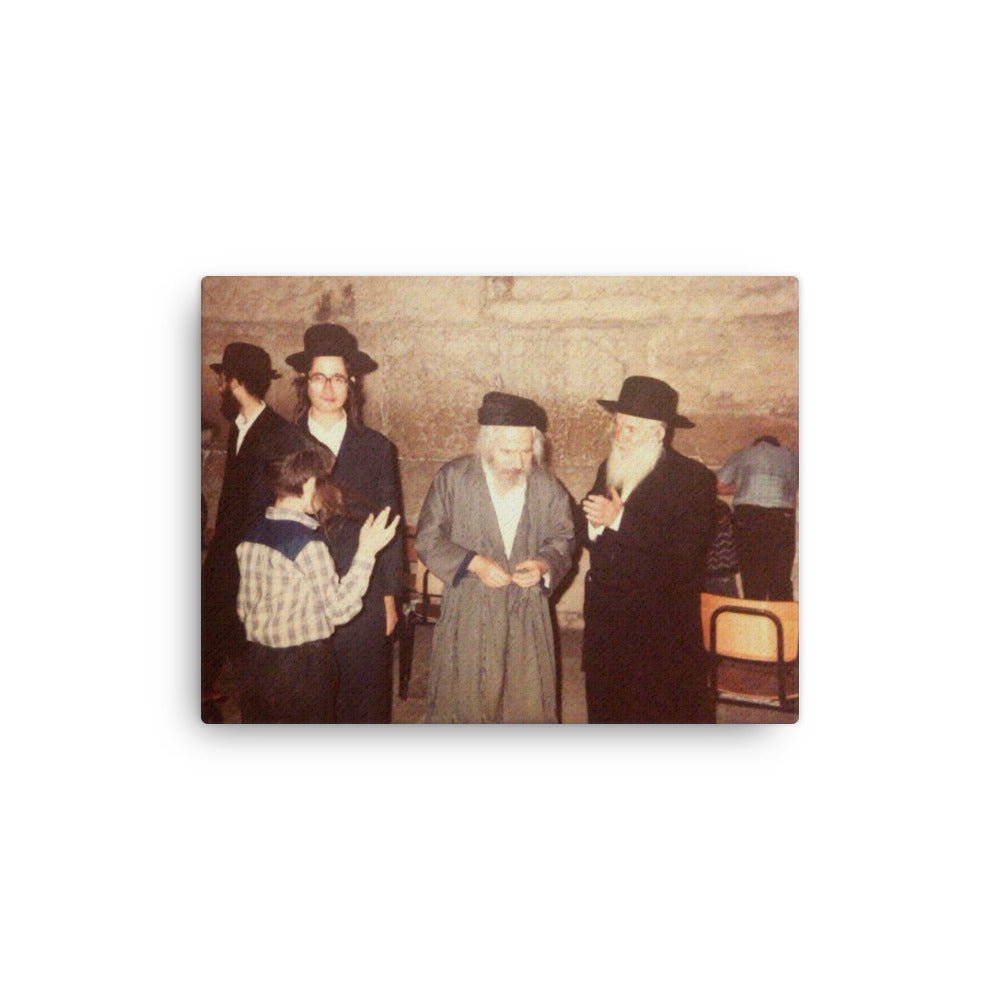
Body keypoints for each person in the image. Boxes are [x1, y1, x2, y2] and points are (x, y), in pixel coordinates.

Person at [414, 392, 575, 723]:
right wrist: (474, 562)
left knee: (525, 703)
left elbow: (564, 538)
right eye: (507, 451)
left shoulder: (547, 486)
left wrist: (544, 564)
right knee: (465, 702)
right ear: (486, 446)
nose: (518, 462)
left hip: (525, 611)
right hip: (469, 610)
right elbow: (428, 539)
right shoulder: (454, 479)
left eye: (527, 451)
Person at [580, 376, 717, 724]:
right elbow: (593, 524)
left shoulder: (692, 479)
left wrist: (619, 520)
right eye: (618, 425)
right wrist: (594, 524)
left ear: (659, 432)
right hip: (607, 621)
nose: (621, 436)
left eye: (632, 429)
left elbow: (688, 552)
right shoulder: (608, 467)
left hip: (658, 626)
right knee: (608, 711)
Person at [286, 324, 405, 723]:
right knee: (307, 700)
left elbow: (389, 524)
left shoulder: (376, 448)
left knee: (362, 698)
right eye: (319, 377)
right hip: (298, 593)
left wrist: (389, 599)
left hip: (363, 594)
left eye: (338, 378)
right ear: (305, 383)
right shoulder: (281, 443)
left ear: (352, 384)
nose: (329, 388)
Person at [236, 448, 400, 723]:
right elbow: (339, 610)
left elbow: (245, 608)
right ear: (310, 483)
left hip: (256, 664)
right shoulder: (307, 545)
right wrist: (367, 552)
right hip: (302, 670)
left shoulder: (251, 537)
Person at [202, 342, 305, 717]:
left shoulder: (278, 433)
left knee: (253, 666)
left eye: (222, 380)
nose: (217, 389)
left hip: (255, 566)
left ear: (236, 382)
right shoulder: (238, 429)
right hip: (227, 559)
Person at [716, 435, 798, 600]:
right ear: (778, 445)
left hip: (748, 516)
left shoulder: (744, 453)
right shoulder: (792, 456)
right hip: (781, 517)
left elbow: (719, 485)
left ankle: (754, 619)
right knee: (780, 578)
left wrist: (742, 485)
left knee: (752, 577)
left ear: (756, 444)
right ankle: (782, 621)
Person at [703, 499, 740, 597]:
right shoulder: (727, 532)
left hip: (715, 574)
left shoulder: (711, 533)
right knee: (731, 603)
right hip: (724, 574)